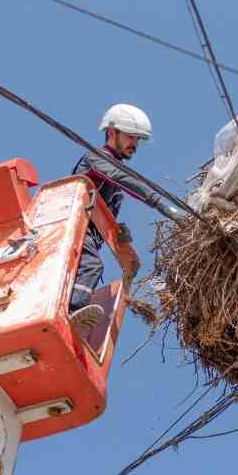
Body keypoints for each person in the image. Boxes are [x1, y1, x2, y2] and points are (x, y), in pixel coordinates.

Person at [68, 103, 189, 331]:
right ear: (112, 132)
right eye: (131, 137)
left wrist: (118, 233)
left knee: (87, 268)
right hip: (72, 227)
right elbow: (122, 178)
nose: (135, 144)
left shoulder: (114, 182)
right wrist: (162, 204)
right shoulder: (97, 157)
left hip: (88, 236)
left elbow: (106, 214)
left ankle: (72, 314)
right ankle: (73, 313)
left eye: (138, 139)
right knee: (92, 266)